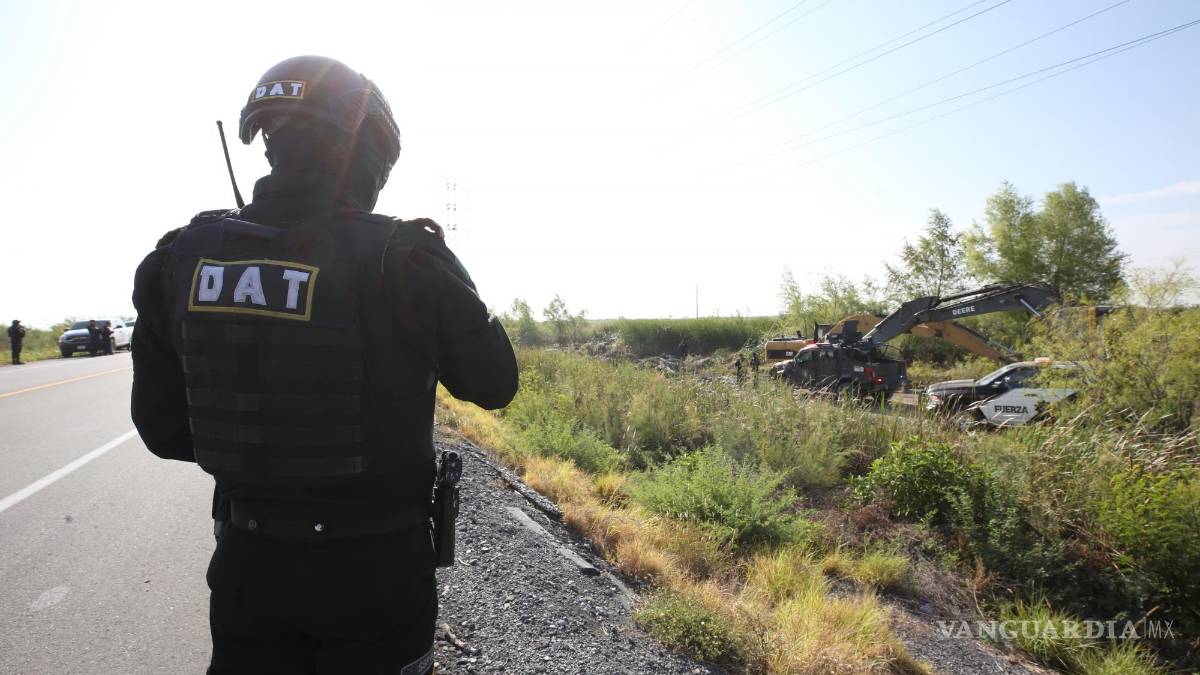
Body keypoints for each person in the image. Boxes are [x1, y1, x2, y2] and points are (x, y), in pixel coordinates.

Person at [130, 55, 518, 675]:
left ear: (270, 141)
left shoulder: (176, 261)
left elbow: (166, 432)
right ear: (371, 153)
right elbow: (497, 383)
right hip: (377, 576)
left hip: (247, 568)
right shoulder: (405, 258)